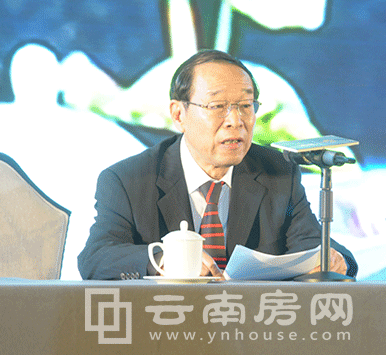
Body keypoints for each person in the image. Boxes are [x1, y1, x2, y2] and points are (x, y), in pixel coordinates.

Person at [77, 49, 357, 280]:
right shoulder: (129, 179)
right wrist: (163, 259)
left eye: (246, 106)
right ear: (179, 114)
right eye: (217, 106)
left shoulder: (277, 173)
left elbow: (311, 244)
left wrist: (336, 260)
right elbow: (96, 258)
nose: (235, 121)